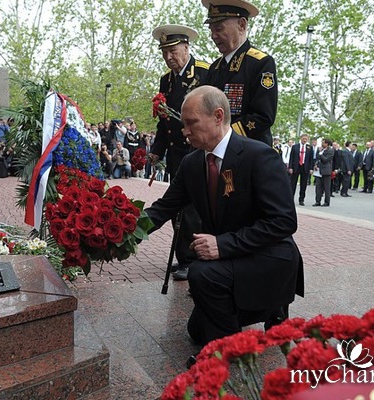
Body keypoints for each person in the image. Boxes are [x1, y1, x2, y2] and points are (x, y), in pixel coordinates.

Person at [145, 86, 303, 364]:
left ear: (218, 116)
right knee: (196, 330)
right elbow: (163, 209)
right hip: (231, 257)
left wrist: (223, 244)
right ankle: (259, 312)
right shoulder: (192, 163)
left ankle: (230, 349)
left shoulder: (259, 155)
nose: (185, 132)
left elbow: (284, 222)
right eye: (183, 125)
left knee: (201, 274)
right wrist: (118, 231)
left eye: (191, 123)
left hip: (268, 255)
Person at [150, 24, 210, 281]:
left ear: (186, 47)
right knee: (178, 205)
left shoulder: (206, 73)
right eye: (164, 52)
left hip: (196, 151)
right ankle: (184, 255)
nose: (168, 57)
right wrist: (156, 151)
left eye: (173, 51)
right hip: (176, 154)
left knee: (194, 206)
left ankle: (192, 258)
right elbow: (164, 121)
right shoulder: (167, 80)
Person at [202, 0, 277, 146]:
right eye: (211, 30)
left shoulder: (261, 63)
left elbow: (263, 117)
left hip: (249, 152)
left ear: (242, 25)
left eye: (219, 29)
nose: (213, 36)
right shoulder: (214, 68)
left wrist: (222, 136)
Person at [287, 133, 313, 206]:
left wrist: (311, 168)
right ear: (301, 138)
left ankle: (301, 199)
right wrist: (290, 167)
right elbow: (291, 158)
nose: (304, 140)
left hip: (305, 167)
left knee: (303, 184)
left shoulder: (309, 147)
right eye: (303, 138)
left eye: (306, 139)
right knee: (293, 184)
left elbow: (311, 159)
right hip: (296, 166)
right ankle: (290, 199)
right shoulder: (295, 147)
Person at [312, 138, 334, 207]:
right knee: (318, 187)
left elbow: (326, 160)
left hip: (326, 171)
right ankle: (317, 201)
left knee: (326, 187)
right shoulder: (320, 150)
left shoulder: (330, 150)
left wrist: (321, 154)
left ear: (327, 144)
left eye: (323, 143)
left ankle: (327, 202)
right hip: (319, 171)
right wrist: (315, 164)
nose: (322, 144)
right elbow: (317, 159)